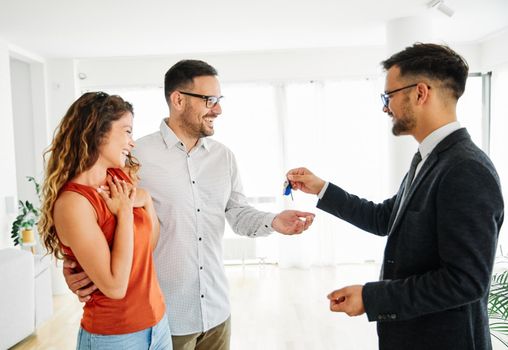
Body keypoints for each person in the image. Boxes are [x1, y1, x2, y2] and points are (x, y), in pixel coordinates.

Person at [64, 60, 315, 350]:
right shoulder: (133, 156)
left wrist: (274, 221)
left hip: (217, 312)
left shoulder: (224, 157)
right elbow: (91, 214)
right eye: (209, 100)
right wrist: (74, 266)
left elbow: (237, 213)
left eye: (218, 100)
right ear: (178, 99)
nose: (218, 109)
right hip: (162, 319)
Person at [287, 43, 504, 350]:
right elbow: (386, 217)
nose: (385, 107)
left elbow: (465, 281)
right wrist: (320, 187)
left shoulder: (465, 169)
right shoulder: (430, 158)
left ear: (419, 93)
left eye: (388, 96)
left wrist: (371, 297)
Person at [38, 92, 172, 349]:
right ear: (98, 132)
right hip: (115, 337)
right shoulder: (73, 204)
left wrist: (146, 200)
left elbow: (148, 246)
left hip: (158, 326)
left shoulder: (119, 178)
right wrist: (123, 214)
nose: (132, 143)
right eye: (127, 131)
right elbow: (114, 286)